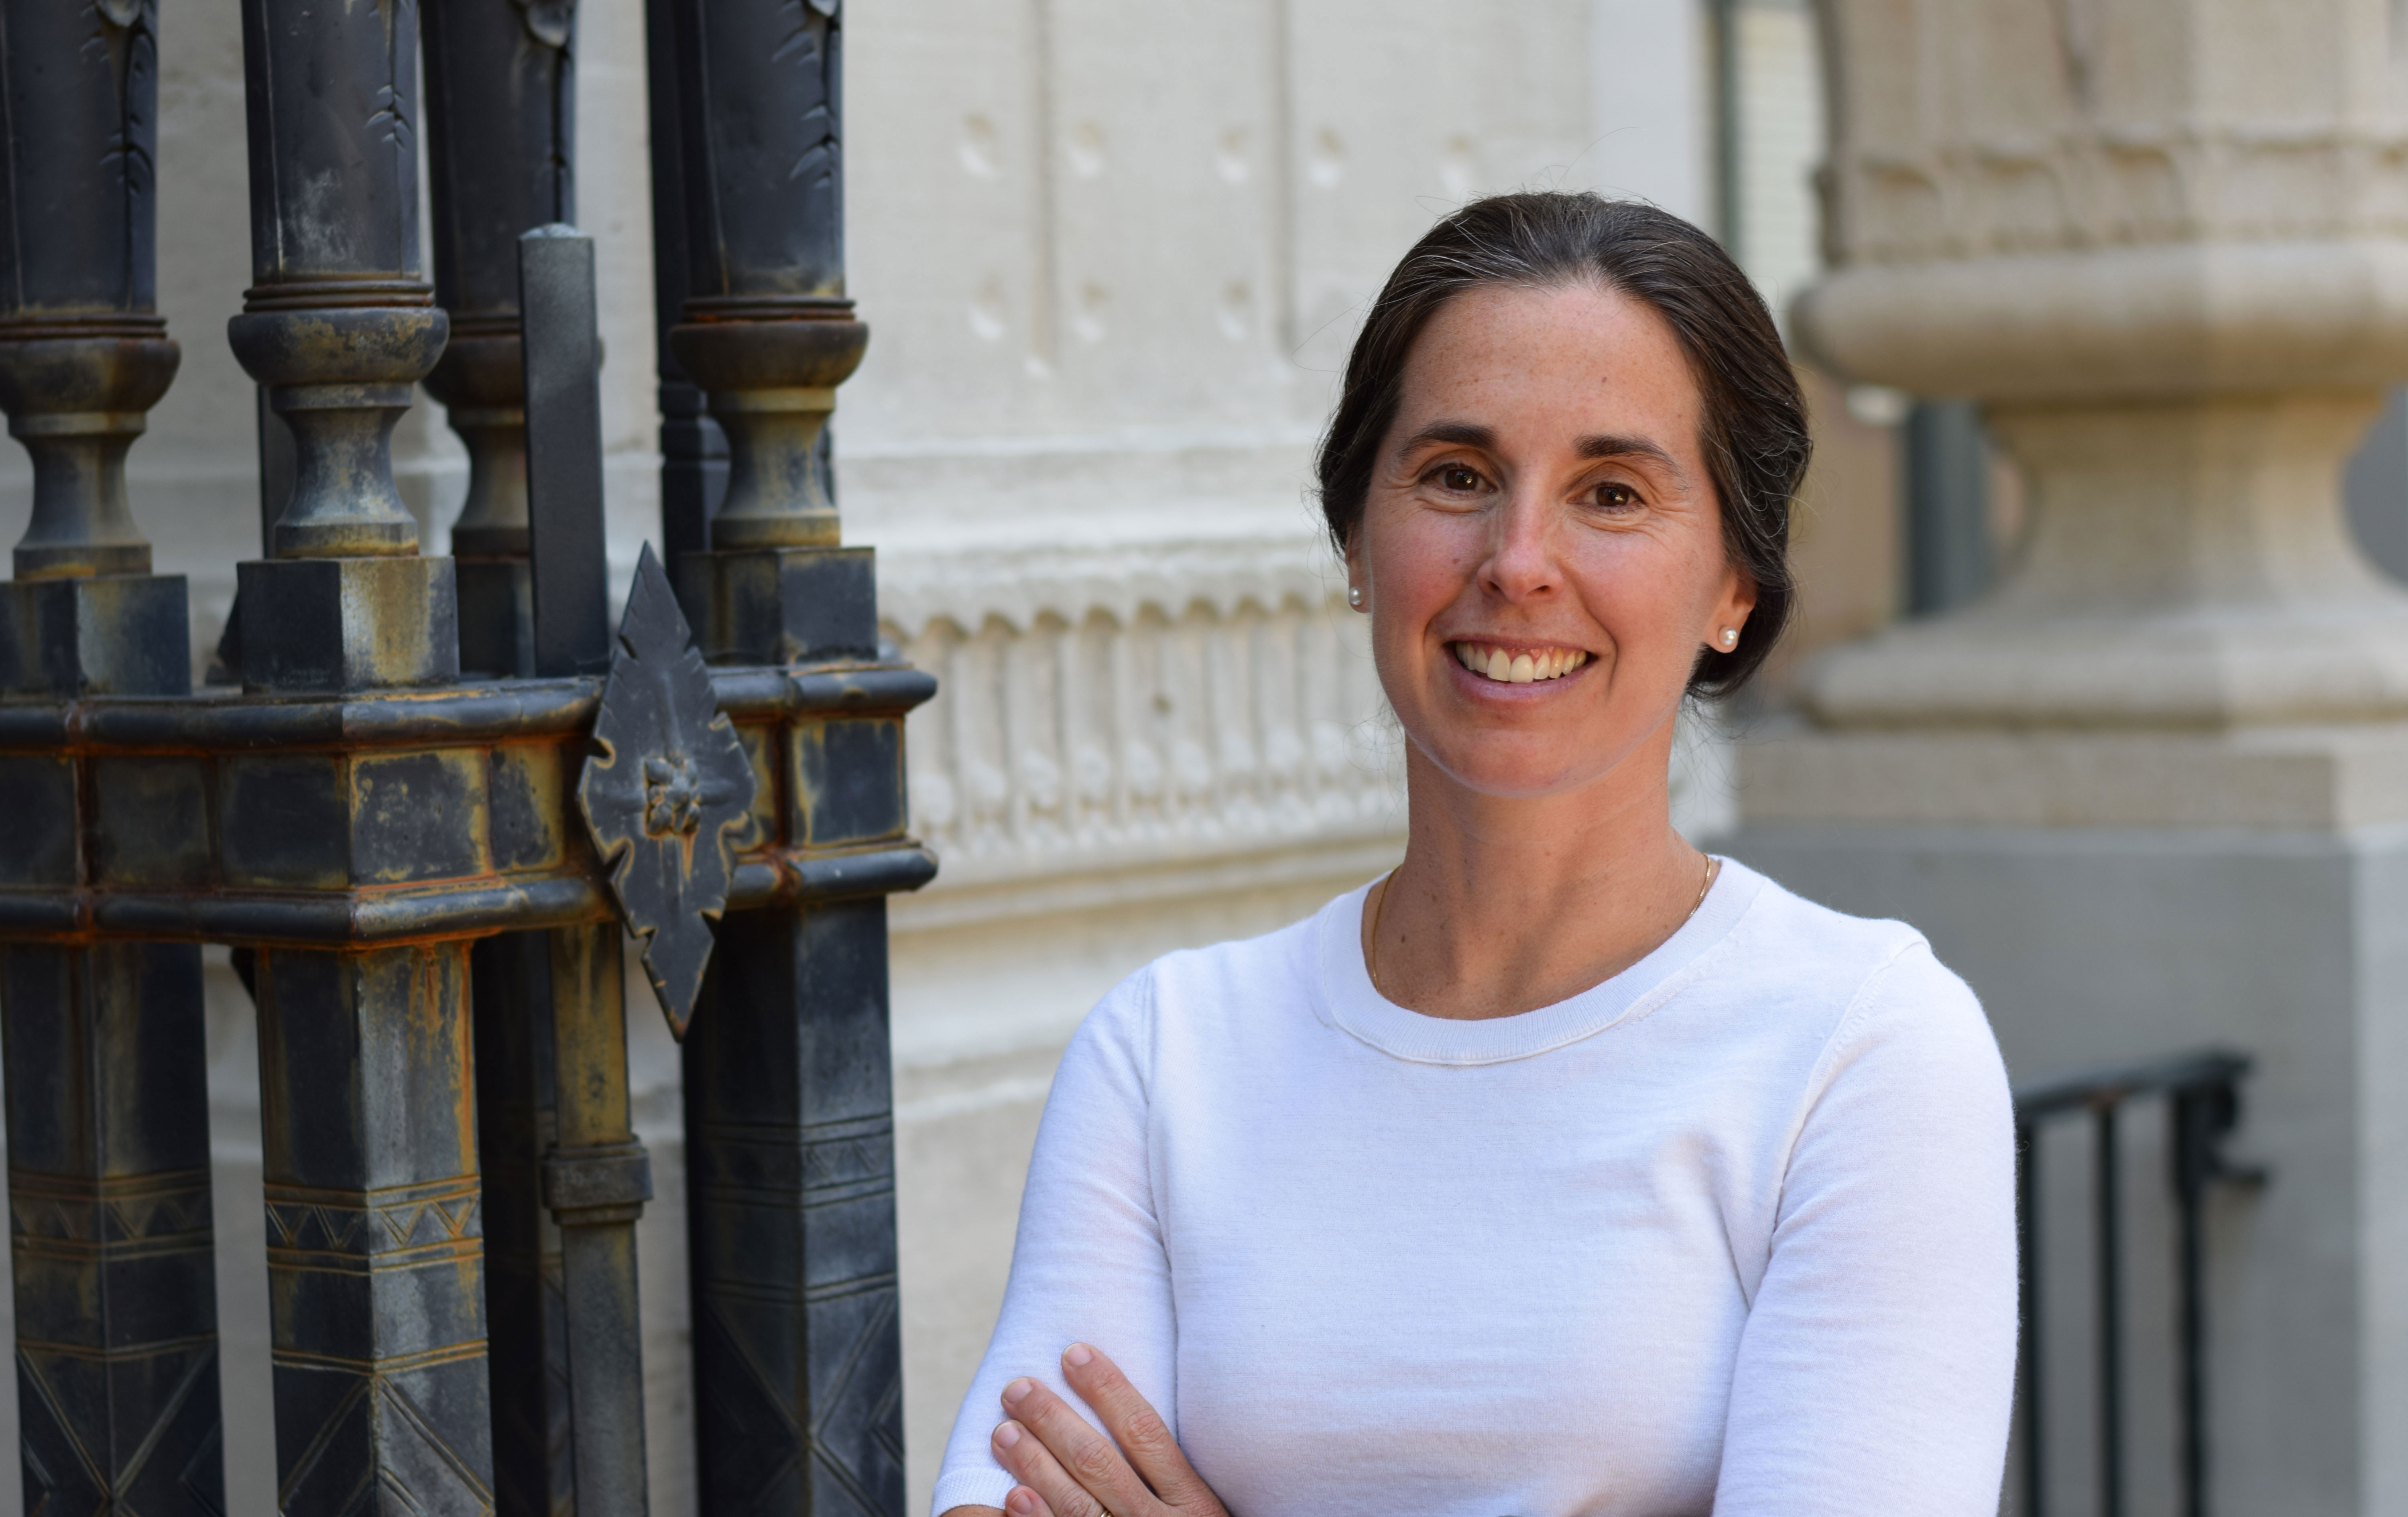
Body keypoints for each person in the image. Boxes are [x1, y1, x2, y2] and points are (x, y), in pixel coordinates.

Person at [931, 192, 2018, 1517]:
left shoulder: (1862, 1048)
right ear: (1356, 537)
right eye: (1456, 476)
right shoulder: (1166, 1057)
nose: (1517, 561)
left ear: (1736, 585)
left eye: (1611, 492)